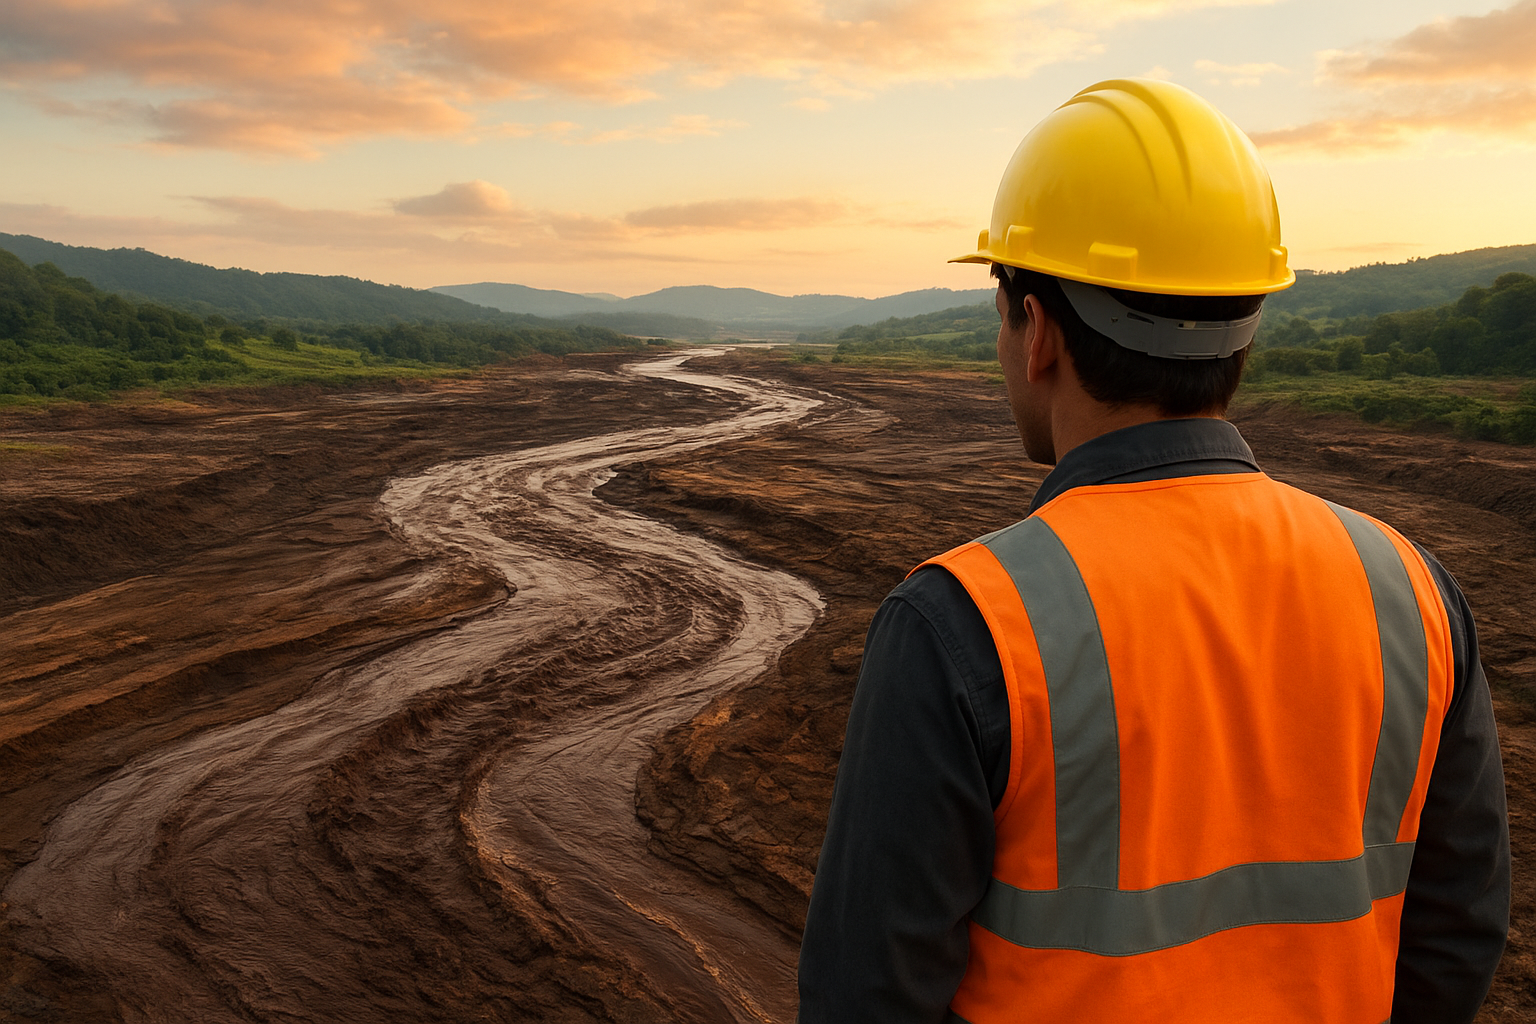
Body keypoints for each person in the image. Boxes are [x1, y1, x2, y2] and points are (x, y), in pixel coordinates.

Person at [797, 78, 1509, 1023]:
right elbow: (1456, 937)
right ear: (1245, 327)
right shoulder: (1414, 591)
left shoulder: (964, 621)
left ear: (1036, 328)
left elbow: (866, 997)